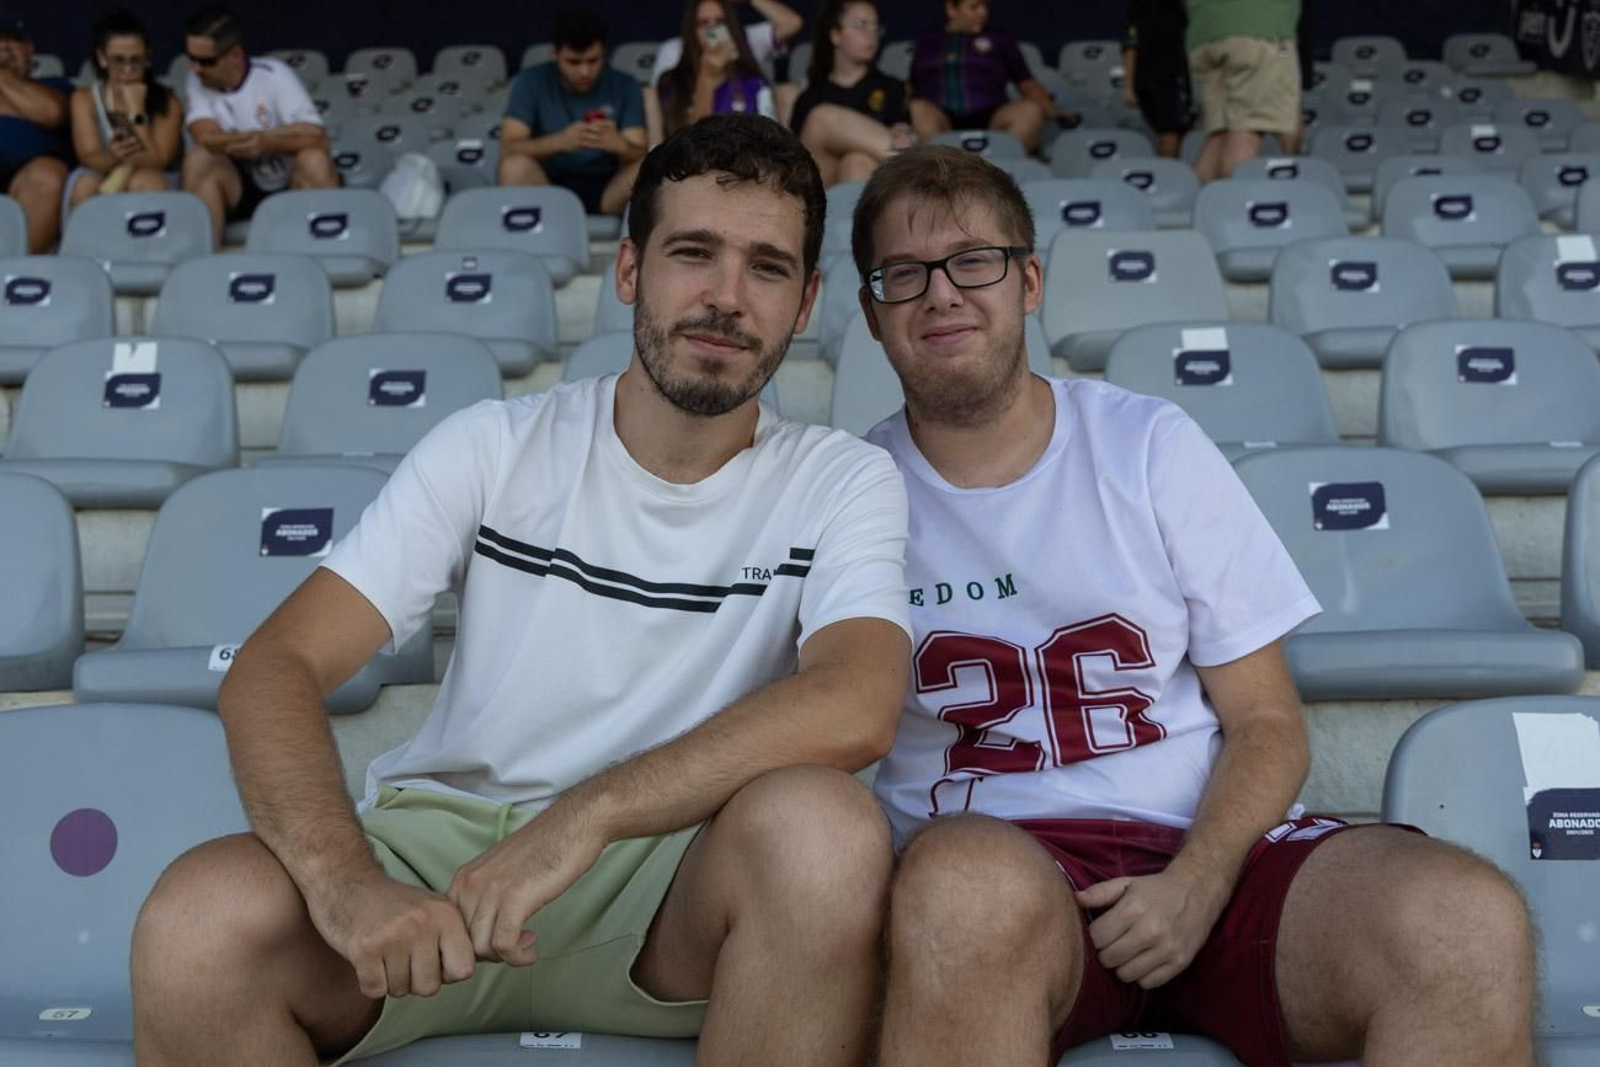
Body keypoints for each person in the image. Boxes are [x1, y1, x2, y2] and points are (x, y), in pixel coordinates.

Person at [130, 113, 913, 1067]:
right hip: (440, 871)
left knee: (824, 832)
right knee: (195, 920)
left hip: (668, 879)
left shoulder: (840, 477)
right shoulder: (493, 444)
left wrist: (583, 817)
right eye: (692, 253)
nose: (725, 297)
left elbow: (860, 699)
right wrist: (341, 881)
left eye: (768, 267)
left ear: (807, 301)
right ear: (629, 271)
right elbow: (274, 665)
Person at [850, 145, 1539, 1067]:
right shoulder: (852, 492)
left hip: (1210, 852)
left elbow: (1266, 721)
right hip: (1006, 883)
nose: (942, 293)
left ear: (1029, 282)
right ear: (869, 311)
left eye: (974, 261)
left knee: (1465, 919)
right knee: (964, 888)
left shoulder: (1147, 444)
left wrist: (1197, 882)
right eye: (905, 273)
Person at [179, 5, 336, 244]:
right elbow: (206, 137)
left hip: (290, 182)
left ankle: (326, 255)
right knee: (200, 160)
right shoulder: (197, 80)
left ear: (236, 55)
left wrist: (268, 142)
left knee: (314, 160)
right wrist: (271, 137)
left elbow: (319, 139)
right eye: (191, 59)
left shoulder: (274, 74)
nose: (196, 68)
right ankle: (202, 262)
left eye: (206, 61)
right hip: (241, 186)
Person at [499, 5, 646, 217]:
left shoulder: (625, 84)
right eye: (574, 62)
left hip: (608, 187)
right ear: (555, 54)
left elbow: (638, 152)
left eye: (593, 61)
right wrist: (560, 142)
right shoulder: (530, 81)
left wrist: (618, 144)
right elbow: (508, 148)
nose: (584, 71)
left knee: (651, 166)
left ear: (604, 52)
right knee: (513, 166)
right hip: (548, 184)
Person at [906, 0, 1063, 155]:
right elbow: (914, 85)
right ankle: (938, 171)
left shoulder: (1000, 39)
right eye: (974, 7)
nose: (983, 12)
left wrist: (1052, 110)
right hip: (941, 118)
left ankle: (1000, 171)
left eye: (986, 6)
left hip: (992, 116)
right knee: (918, 108)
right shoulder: (928, 42)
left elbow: (1026, 82)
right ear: (951, 9)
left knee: (1030, 110)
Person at [790, 0, 914, 186]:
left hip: (873, 183)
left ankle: (912, 167)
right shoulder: (811, 96)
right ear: (835, 35)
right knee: (821, 117)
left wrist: (903, 130)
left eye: (875, 26)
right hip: (821, 189)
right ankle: (915, 168)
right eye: (861, 24)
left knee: (854, 162)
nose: (871, 34)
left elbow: (902, 128)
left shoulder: (891, 87)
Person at [68, 8, 182, 209]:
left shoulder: (168, 101)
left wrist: (136, 113)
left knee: (146, 181)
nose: (127, 71)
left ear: (147, 58)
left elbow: (158, 162)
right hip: (102, 170)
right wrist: (113, 157)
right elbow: (88, 156)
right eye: (118, 61)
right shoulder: (84, 99)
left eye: (135, 60)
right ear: (102, 58)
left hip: (154, 175)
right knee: (85, 185)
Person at [1187, 0, 1300, 181]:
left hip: (1204, 32)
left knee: (1219, 135)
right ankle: (1236, 206)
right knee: (1246, 130)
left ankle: (1205, 206)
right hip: (1257, 26)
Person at [651, 0, 777, 142]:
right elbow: (685, 144)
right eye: (703, 23)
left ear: (731, 28)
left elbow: (770, 138)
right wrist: (707, 75)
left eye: (720, 22)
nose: (712, 30)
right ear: (691, 31)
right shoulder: (673, 81)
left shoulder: (752, 80)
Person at [0, 6, 70, 252]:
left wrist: (1, 73)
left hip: (27, 175)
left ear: (29, 49)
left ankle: (11, 276)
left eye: (12, 40)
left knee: (47, 173)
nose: (4, 47)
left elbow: (52, 112)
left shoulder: (54, 85)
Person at [1123, 0, 1193, 158]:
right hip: (1167, 78)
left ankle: (1166, 172)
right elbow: (1131, 44)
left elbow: (1130, 45)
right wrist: (1128, 87)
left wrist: (1128, 86)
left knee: (1170, 132)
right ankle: (1168, 177)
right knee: (1170, 132)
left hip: (1150, 78)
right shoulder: (1169, 7)